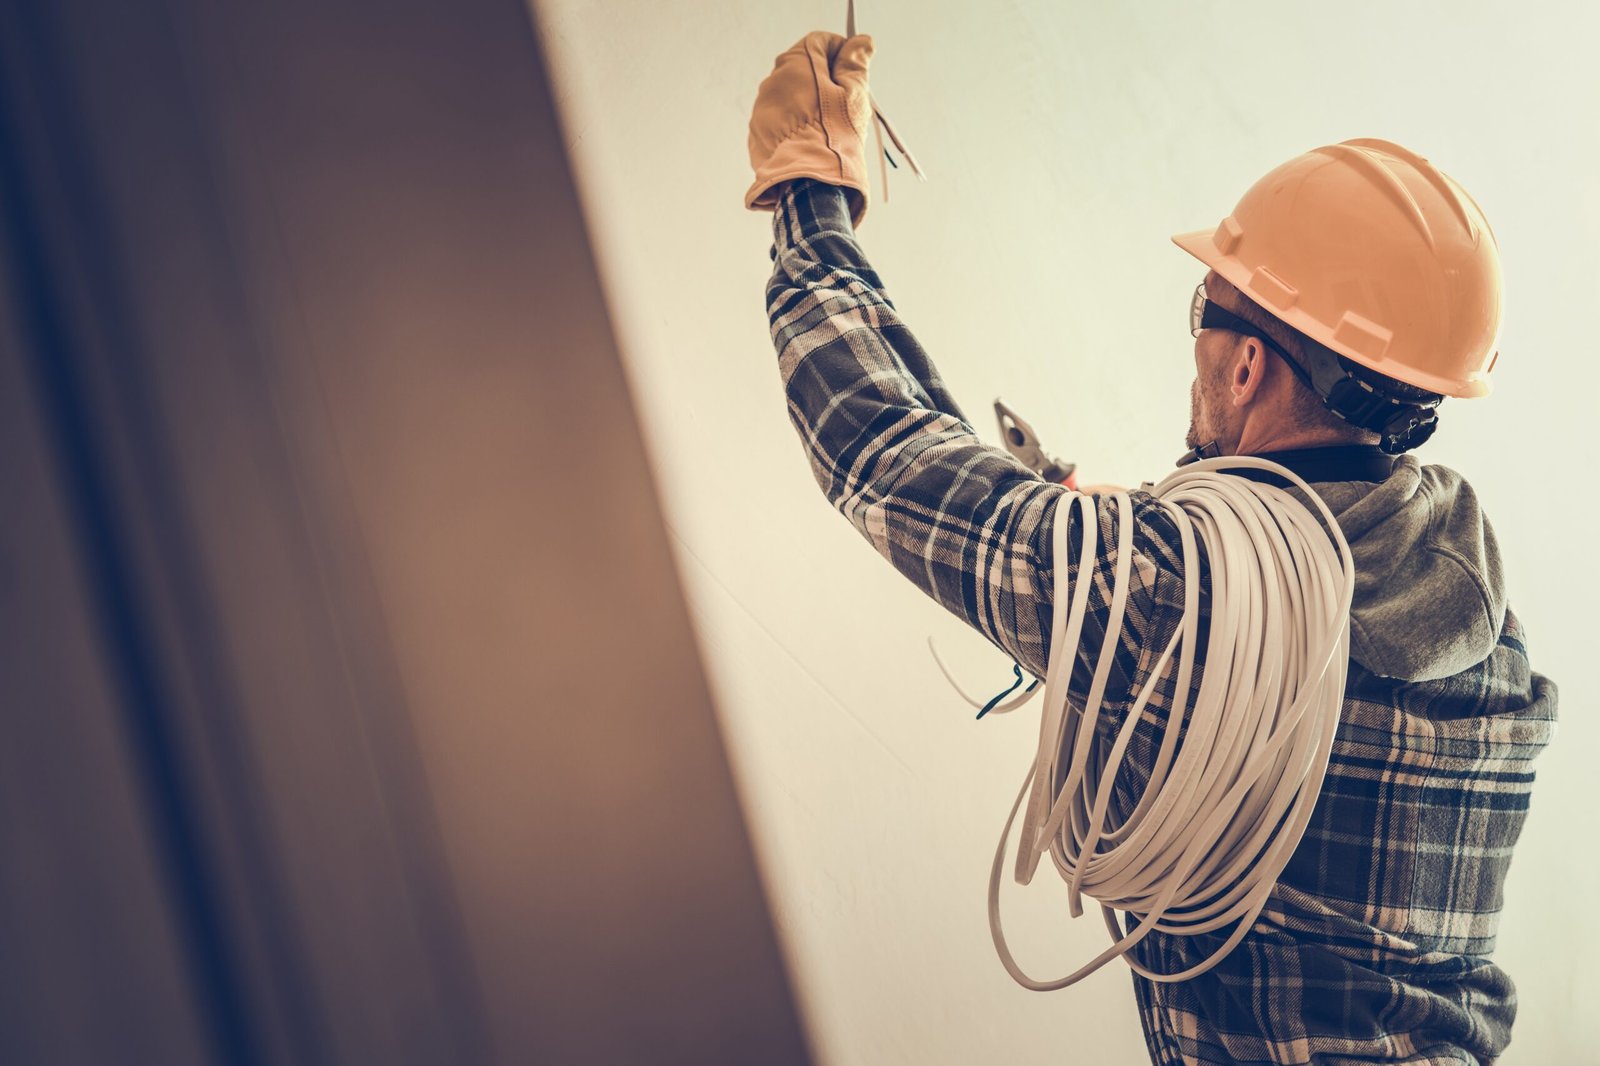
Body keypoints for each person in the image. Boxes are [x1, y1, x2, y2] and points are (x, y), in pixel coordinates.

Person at [745, 31, 1558, 1066]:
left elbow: (877, 444)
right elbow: (1277, 621)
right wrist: (1113, 547)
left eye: (1204, 315)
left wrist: (811, 196)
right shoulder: (1497, 657)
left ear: (1249, 364)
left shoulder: (1163, 600)